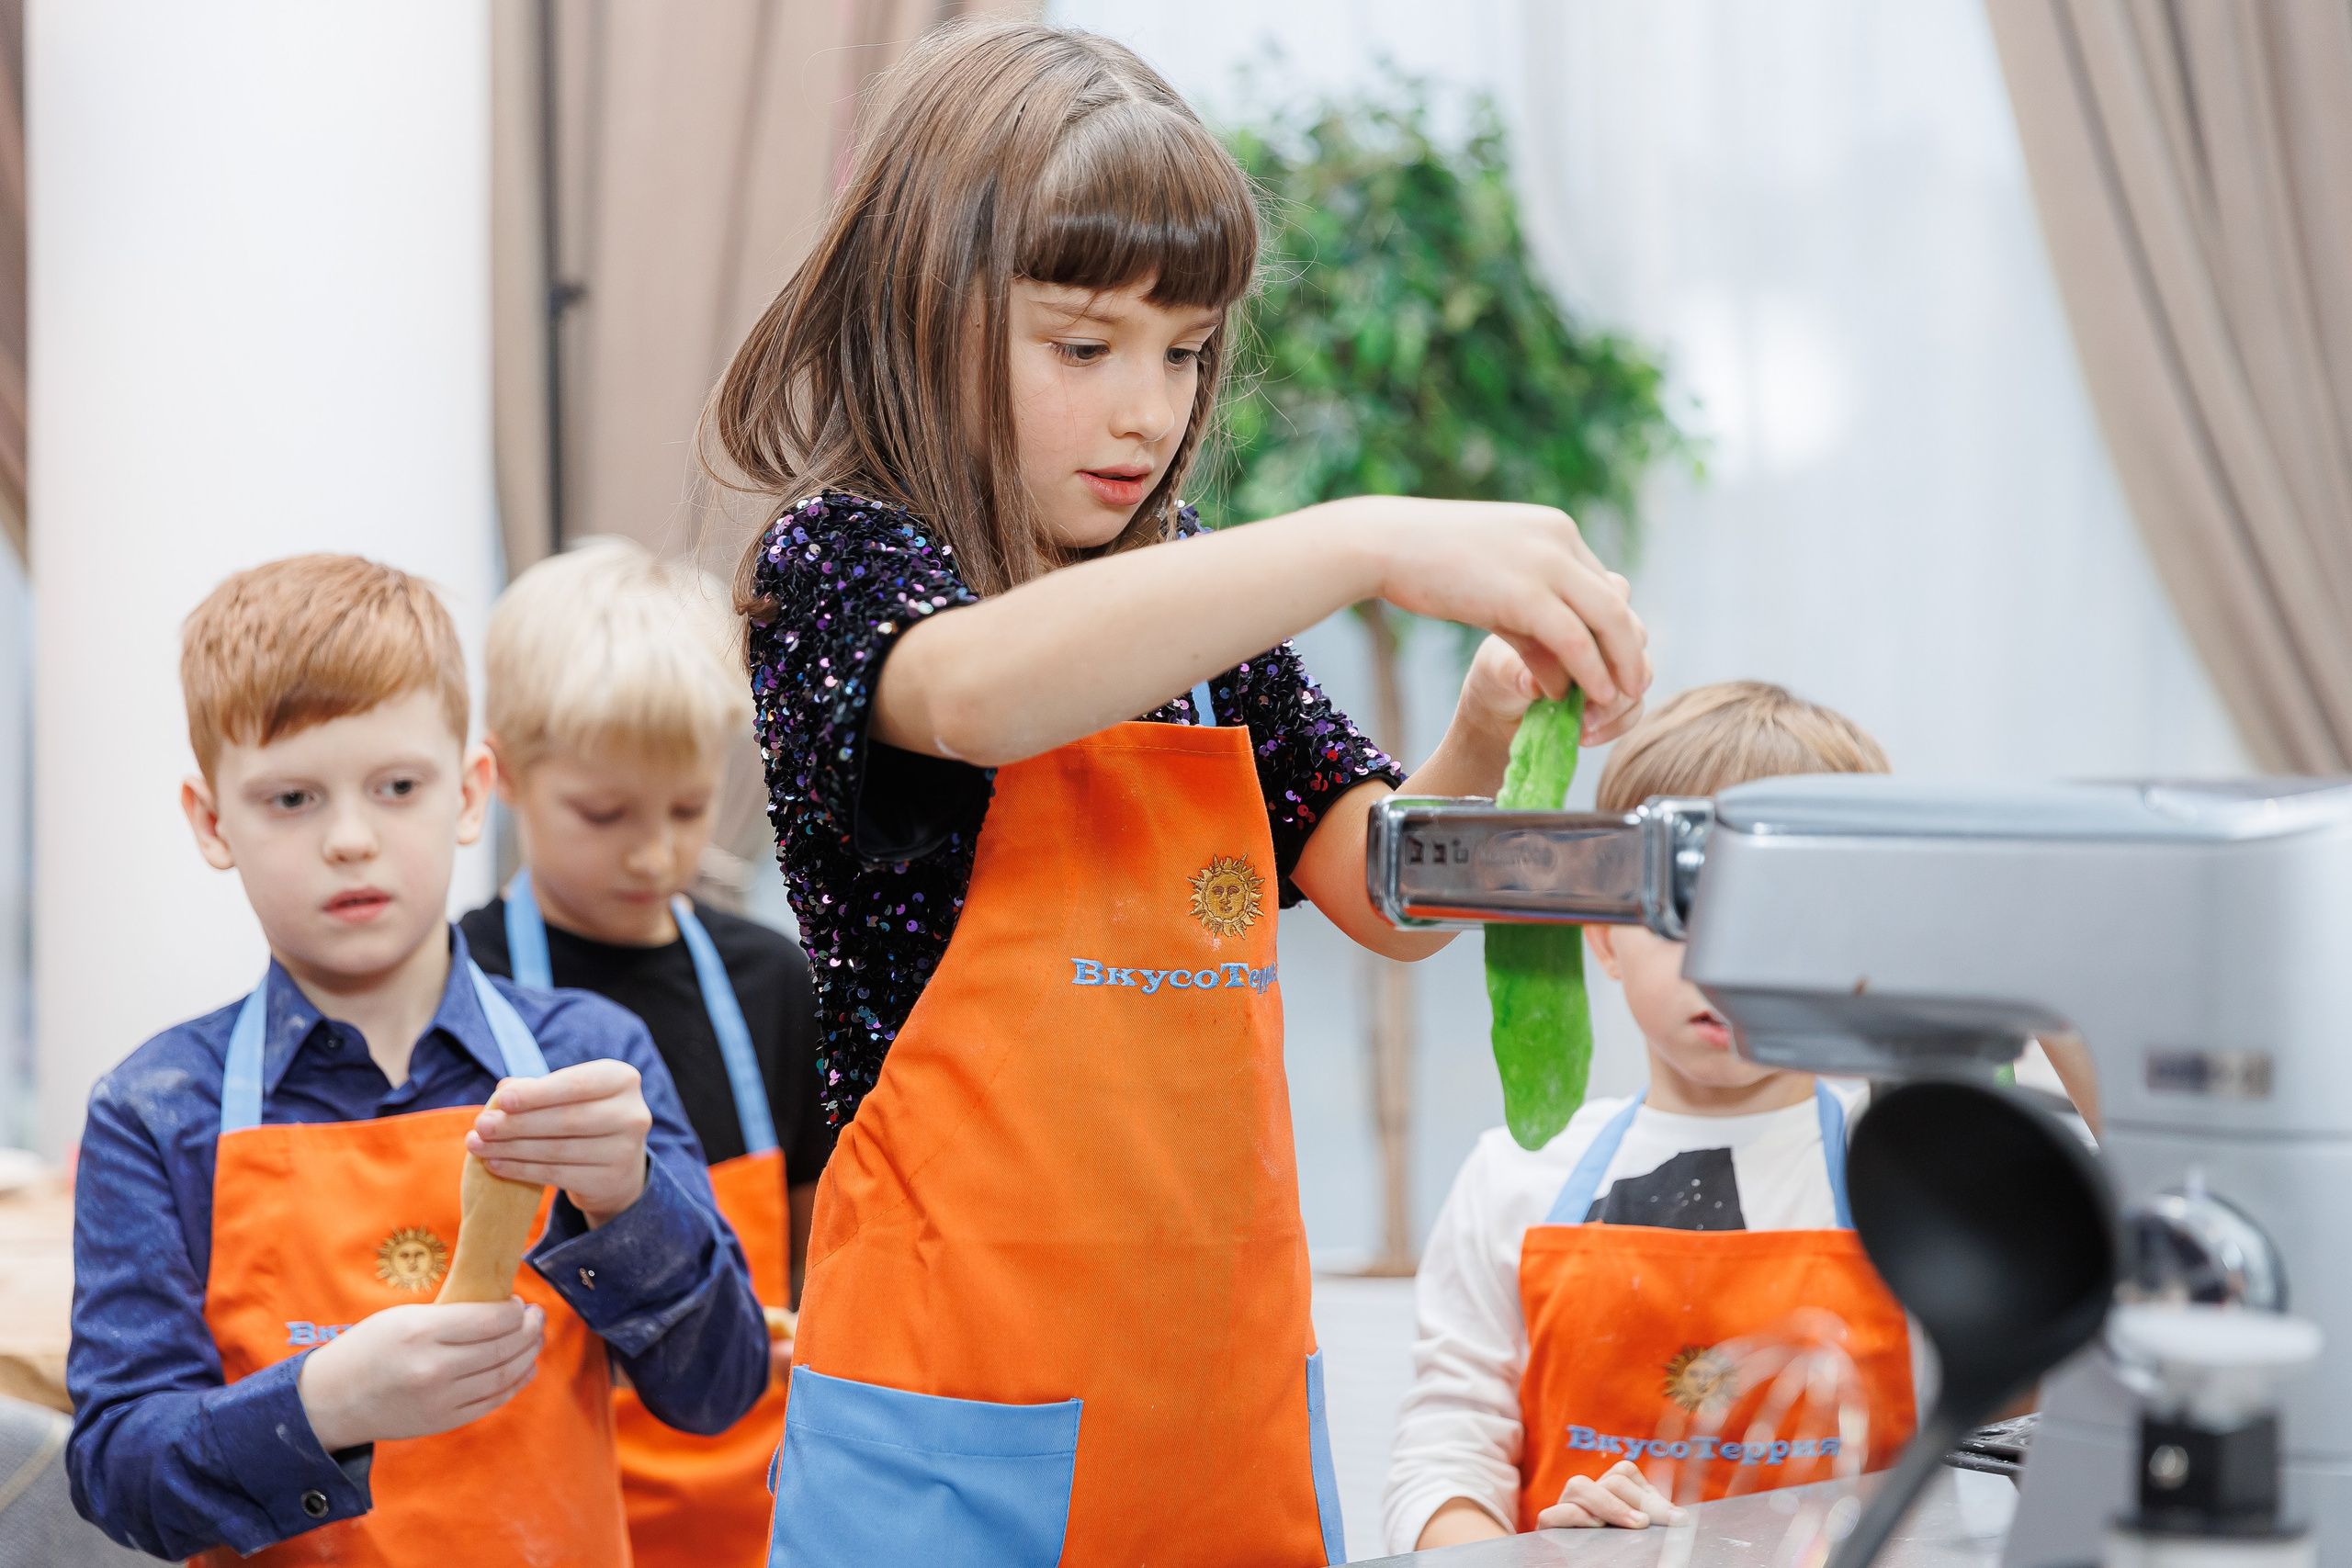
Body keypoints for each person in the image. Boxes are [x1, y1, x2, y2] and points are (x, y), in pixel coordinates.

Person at [708, 19, 1653, 1568]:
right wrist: (1359, 539)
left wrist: (1487, 731)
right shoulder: (849, 566)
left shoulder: (1194, 604)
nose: (1148, 411)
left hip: (1217, 1428)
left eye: (1187, 350)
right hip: (950, 1439)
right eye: (1085, 346)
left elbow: (1388, 892)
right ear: (923, 308)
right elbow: (978, 692)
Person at [66, 556, 768, 1565]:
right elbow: (119, 1472)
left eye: (398, 786)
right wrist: (327, 1403)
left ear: (473, 792)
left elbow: (721, 1391)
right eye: (291, 799)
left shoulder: (588, 1055)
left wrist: (627, 1201)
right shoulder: (155, 1112)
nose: (350, 839)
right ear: (213, 822)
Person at [1386, 683, 1917, 1552]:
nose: (1724, 964)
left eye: (1779, 920)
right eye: (1685, 911)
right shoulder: (1513, 1181)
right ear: (1603, 933)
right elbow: (1446, 1457)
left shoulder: (1915, 1178)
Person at [457, 537, 831, 1568]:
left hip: (759, 1512)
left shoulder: (772, 982)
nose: (653, 852)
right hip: (544, 1512)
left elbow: (813, 1255)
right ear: (504, 776)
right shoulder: (460, 990)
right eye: (604, 813)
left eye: (684, 808)